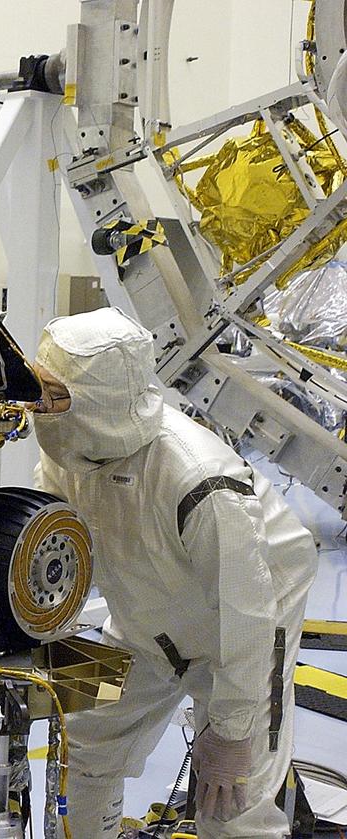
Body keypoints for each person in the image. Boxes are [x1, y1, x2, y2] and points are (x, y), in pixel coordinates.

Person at [30, 308, 317, 837]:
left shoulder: (198, 479)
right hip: (143, 620)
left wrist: (231, 735)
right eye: (39, 390)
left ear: (104, 396)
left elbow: (247, 614)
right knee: (84, 741)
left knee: (232, 799)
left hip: (246, 627)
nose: (40, 408)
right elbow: (55, 551)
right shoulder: (69, 449)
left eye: (55, 394)